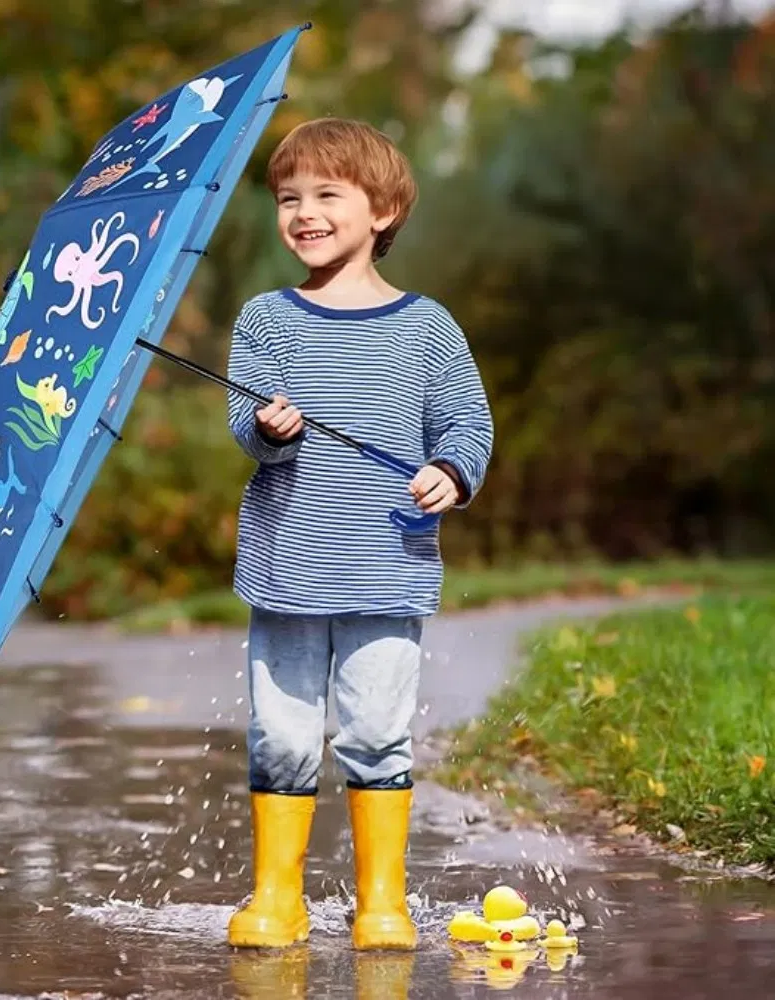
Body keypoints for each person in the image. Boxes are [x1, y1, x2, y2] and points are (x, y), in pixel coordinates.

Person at [224, 117, 494, 951]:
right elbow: (243, 422)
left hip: (387, 566)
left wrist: (450, 471)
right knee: (284, 734)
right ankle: (278, 897)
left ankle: (382, 899)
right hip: (289, 566)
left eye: (325, 195)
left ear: (382, 210)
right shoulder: (267, 319)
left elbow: (468, 423)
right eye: (287, 198)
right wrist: (268, 429)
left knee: (376, 731)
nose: (303, 213)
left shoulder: (427, 328)